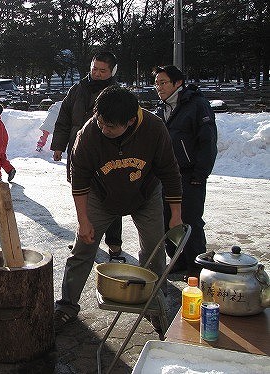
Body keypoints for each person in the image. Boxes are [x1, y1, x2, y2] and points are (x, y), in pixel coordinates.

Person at [54, 86, 183, 333]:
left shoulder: (154, 129)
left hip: (145, 194)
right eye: (101, 122)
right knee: (83, 247)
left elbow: (170, 173)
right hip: (101, 197)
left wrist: (175, 215)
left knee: (155, 249)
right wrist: (83, 221)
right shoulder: (89, 134)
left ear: (131, 121)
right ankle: (67, 304)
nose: (104, 129)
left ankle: (155, 303)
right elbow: (79, 181)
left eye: (110, 127)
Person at [49, 51, 123, 256]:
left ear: (112, 71)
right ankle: (83, 236)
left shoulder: (117, 94)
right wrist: (58, 146)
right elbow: (64, 118)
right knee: (82, 195)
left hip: (106, 153)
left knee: (111, 197)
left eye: (102, 70)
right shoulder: (77, 89)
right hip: (78, 150)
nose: (97, 74)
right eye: (94, 69)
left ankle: (114, 241)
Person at [153, 65, 217, 277]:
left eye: (163, 82)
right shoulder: (161, 109)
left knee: (190, 221)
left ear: (178, 83)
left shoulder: (197, 105)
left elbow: (207, 141)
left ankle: (197, 267)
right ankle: (178, 260)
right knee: (166, 218)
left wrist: (201, 173)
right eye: (156, 83)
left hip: (190, 175)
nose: (159, 87)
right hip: (166, 176)